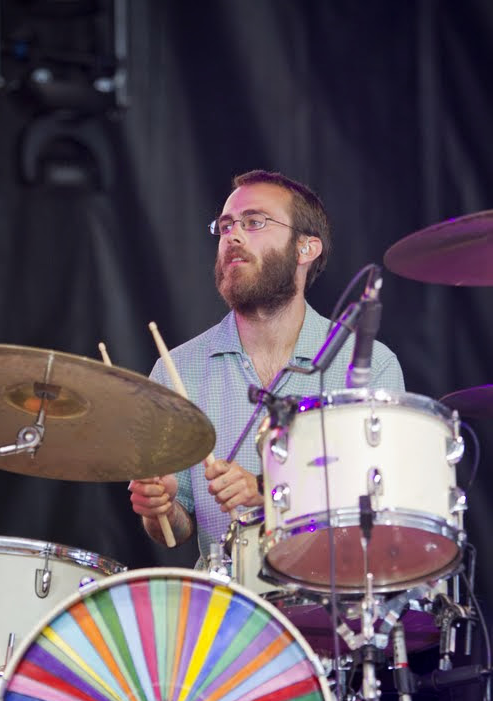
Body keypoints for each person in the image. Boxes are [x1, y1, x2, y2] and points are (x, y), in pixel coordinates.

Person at [129, 170, 404, 566]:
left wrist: (268, 491)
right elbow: (177, 529)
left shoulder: (370, 365)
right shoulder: (178, 369)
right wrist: (161, 509)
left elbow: (383, 499)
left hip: (334, 593)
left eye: (254, 222)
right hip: (227, 601)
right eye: (225, 226)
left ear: (305, 248)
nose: (233, 236)